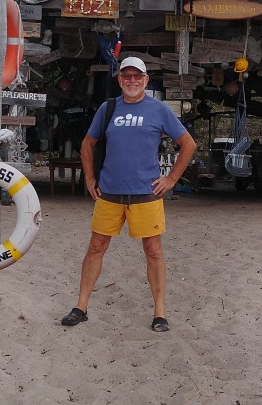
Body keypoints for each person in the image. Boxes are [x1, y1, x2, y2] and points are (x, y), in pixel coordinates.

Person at [61, 56, 197, 332]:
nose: (132, 81)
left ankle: (159, 312)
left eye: (137, 76)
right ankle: (81, 306)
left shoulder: (158, 110)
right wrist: (89, 178)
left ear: (146, 80)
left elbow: (188, 144)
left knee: (154, 251)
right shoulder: (108, 108)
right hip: (109, 193)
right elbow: (88, 144)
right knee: (96, 247)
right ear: (120, 80)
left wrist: (171, 179)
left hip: (146, 195)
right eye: (127, 76)